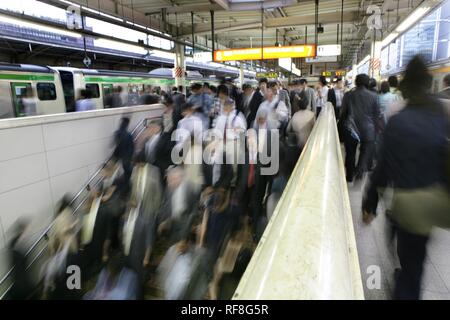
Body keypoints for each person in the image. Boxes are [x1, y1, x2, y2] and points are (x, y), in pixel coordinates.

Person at [362, 55, 450, 300]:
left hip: (408, 202)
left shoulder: (398, 121)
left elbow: (383, 169)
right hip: (436, 198)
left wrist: (370, 203)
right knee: (416, 258)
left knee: (409, 257)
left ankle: (405, 289)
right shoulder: (441, 115)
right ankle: (407, 278)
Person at [340, 74, 382, 182]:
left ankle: (349, 176)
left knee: (350, 153)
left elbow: (343, 113)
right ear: (367, 83)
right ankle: (359, 172)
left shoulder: (348, 95)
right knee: (365, 153)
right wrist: (376, 131)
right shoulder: (374, 96)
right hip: (368, 130)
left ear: (355, 82)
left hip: (351, 129)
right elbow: (376, 115)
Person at [6, 219, 33, 300]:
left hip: (20, 283)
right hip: (22, 285)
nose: (28, 232)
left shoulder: (14, 243)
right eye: (26, 229)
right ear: (22, 230)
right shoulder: (17, 244)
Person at [113, 117, 135, 184]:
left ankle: (124, 185)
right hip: (126, 157)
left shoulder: (117, 133)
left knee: (124, 173)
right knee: (127, 173)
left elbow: (117, 145)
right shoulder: (129, 135)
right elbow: (131, 147)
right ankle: (126, 185)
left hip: (120, 156)